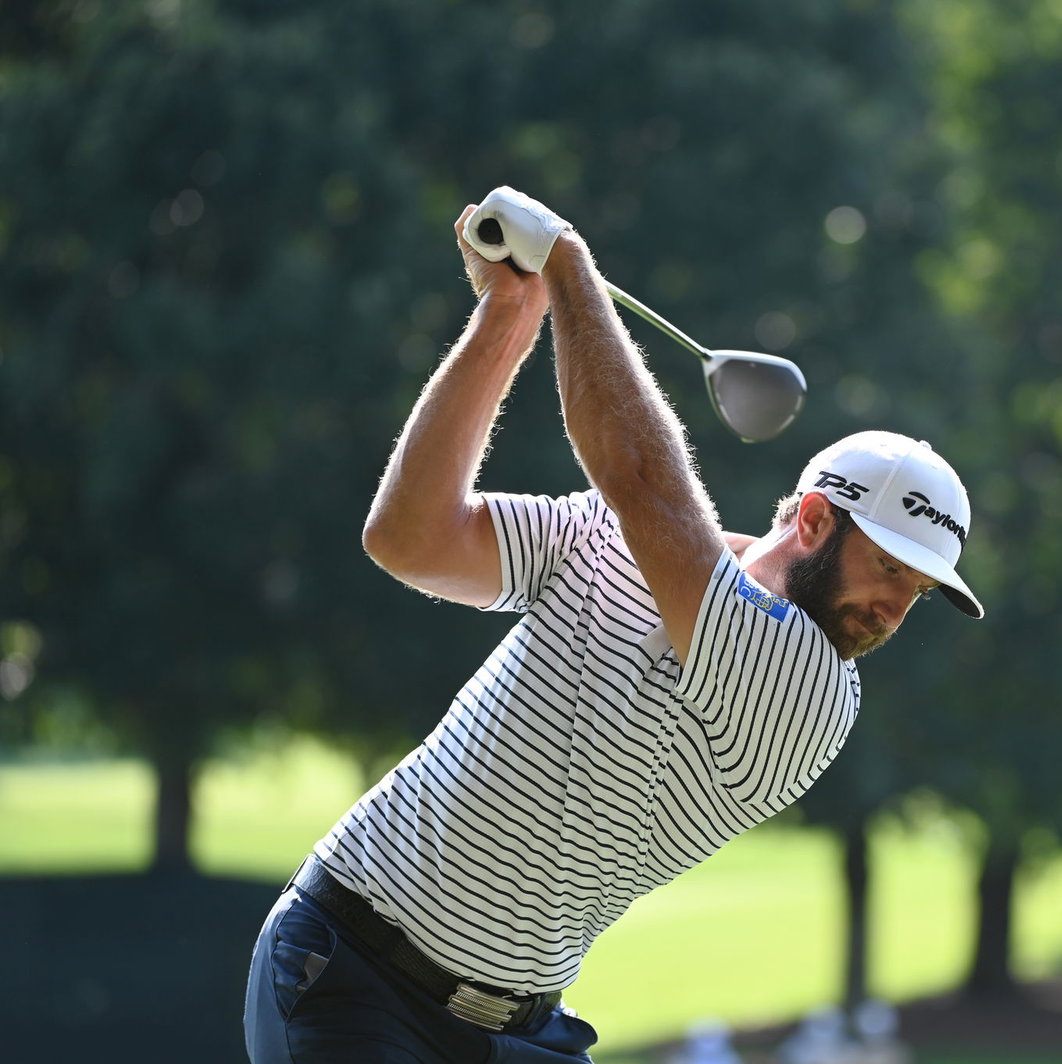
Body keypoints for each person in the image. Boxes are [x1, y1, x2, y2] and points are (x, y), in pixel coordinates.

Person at [242, 190, 984, 1064]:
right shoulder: (611, 533)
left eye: (922, 590)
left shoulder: (811, 689)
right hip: (349, 971)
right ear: (815, 521)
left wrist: (568, 264)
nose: (897, 607)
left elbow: (642, 476)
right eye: (891, 567)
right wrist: (510, 317)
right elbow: (409, 537)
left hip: (517, 1027)